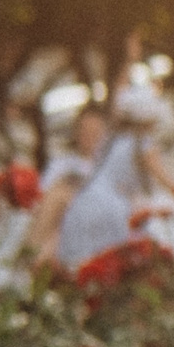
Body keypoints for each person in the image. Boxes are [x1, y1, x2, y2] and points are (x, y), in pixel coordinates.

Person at [57, 81, 174, 269]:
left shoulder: (114, 140)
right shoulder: (144, 143)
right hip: (112, 205)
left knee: (87, 261)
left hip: (85, 199)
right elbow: (165, 179)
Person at [26, 104, 112, 264]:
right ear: (76, 132)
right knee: (60, 202)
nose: (89, 137)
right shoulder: (60, 164)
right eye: (85, 131)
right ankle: (33, 260)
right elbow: (42, 201)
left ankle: (29, 261)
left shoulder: (108, 167)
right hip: (61, 224)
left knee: (64, 200)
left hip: (96, 224)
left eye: (95, 132)